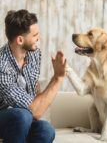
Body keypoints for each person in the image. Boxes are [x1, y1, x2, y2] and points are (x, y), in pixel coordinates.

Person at [0, 9, 67, 143]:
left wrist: (37, 101)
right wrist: (58, 77)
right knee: (22, 115)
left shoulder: (34, 54)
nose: (39, 38)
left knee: (46, 130)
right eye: (35, 35)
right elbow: (35, 111)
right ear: (20, 40)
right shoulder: (2, 65)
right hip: (4, 117)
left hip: (25, 118)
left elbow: (35, 90)